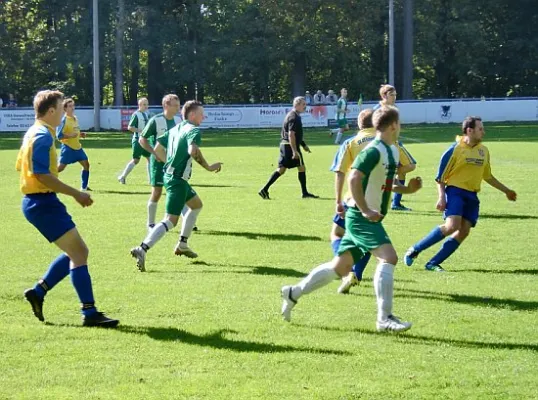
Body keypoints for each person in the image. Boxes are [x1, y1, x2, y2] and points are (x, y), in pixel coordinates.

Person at [280, 106, 422, 332]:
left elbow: (385, 184)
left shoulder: (392, 151)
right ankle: (384, 318)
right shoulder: (374, 150)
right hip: (360, 216)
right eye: (400, 123)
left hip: (367, 215)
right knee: (389, 257)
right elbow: (353, 178)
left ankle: (292, 292)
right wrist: (365, 209)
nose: (401, 126)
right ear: (393, 125)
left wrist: (408, 191)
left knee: (339, 267)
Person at [18, 90, 118, 327]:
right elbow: (41, 175)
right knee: (79, 253)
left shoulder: (33, 132)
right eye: (62, 108)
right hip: (42, 203)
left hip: (39, 202)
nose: (64, 112)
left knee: (77, 252)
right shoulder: (42, 136)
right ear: (51, 111)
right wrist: (76, 193)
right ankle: (89, 312)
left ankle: (39, 291)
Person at [404, 116, 517, 272]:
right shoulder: (455, 150)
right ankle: (415, 249)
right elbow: (440, 178)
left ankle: (433, 263)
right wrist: (441, 197)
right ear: (469, 131)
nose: (483, 132)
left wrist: (506, 191)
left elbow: (488, 176)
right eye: (480, 129)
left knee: (464, 231)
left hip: (472, 195)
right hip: (455, 191)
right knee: (452, 226)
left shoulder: (484, 151)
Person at [130, 101, 223, 271]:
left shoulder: (175, 129)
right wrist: (209, 167)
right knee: (170, 220)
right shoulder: (193, 130)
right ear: (192, 115)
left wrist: (170, 163)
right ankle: (142, 248)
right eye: (202, 113)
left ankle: (182, 244)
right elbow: (193, 151)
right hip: (177, 181)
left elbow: (158, 149)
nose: (204, 116)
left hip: (172, 177)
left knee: (196, 206)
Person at [329, 108, 377, 294]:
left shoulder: (351, 142)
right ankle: (356, 273)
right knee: (367, 239)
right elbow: (408, 166)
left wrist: (338, 200)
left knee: (337, 233)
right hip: (378, 200)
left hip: (354, 198)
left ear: (359, 123)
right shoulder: (386, 142)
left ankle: (348, 270)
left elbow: (340, 172)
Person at [258, 97, 318, 199]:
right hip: (289, 146)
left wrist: (303, 145)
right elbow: (291, 134)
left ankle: (265, 189)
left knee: (289, 168)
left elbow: (295, 134)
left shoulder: (293, 115)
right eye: (303, 104)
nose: (305, 106)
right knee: (294, 168)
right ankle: (304, 193)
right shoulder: (294, 117)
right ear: (297, 105)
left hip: (286, 145)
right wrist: (295, 151)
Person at [138, 94, 181, 231]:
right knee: (157, 191)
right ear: (166, 106)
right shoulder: (156, 120)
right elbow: (142, 139)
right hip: (158, 162)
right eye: (175, 105)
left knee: (179, 189)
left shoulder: (179, 120)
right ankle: (150, 223)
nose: (177, 108)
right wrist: (154, 152)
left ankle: (187, 220)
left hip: (174, 162)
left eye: (178, 105)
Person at [374, 84, 417, 211]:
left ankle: (396, 203)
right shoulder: (378, 109)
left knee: (404, 169)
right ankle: (388, 175)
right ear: (384, 96)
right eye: (391, 95)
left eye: (395, 95)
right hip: (386, 144)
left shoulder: (394, 108)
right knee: (410, 165)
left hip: (394, 142)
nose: (394, 97)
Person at [57, 98, 91, 191]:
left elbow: (75, 131)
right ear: (65, 108)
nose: (72, 108)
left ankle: (84, 187)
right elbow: (59, 135)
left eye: (73, 105)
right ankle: (46, 179)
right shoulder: (63, 120)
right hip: (68, 148)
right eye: (70, 106)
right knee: (60, 168)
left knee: (86, 165)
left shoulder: (75, 118)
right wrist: (70, 135)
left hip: (78, 148)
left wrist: (81, 134)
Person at [118, 97, 151, 184]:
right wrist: (140, 130)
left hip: (145, 140)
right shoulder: (136, 114)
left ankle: (151, 180)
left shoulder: (146, 114)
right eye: (144, 104)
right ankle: (122, 177)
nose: (146, 106)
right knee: (136, 160)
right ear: (139, 105)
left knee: (150, 159)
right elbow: (130, 127)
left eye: (147, 104)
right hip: (138, 140)